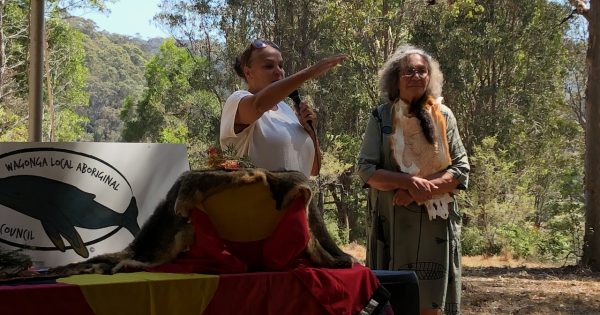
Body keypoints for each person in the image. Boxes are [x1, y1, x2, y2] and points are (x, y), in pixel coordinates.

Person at [357, 44, 470, 315]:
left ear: (430, 77)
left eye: (422, 71)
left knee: (433, 304)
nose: (416, 76)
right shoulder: (381, 116)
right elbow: (366, 170)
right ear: (396, 78)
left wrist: (422, 190)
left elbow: (461, 169)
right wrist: (407, 183)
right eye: (409, 71)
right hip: (392, 225)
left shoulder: (444, 116)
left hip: (436, 226)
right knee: (394, 302)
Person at [220, 39, 346, 177]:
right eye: (269, 66)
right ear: (248, 73)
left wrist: (310, 131)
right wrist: (309, 72)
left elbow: (313, 170)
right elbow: (258, 105)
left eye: (281, 65)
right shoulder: (237, 100)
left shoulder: (286, 110)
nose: (278, 71)